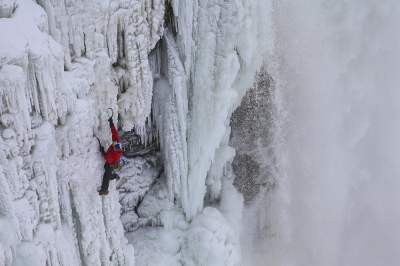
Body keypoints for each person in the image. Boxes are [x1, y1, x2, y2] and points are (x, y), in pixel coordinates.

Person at [97, 116, 123, 196]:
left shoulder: (111, 160)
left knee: (106, 174)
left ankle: (104, 190)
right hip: (111, 159)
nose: (114, 143)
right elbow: (115, 134)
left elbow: (107, 157)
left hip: (110, 161)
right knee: (107, 172)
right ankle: (114, 176)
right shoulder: (117, 148)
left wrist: (102, 152)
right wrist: (111, 123)